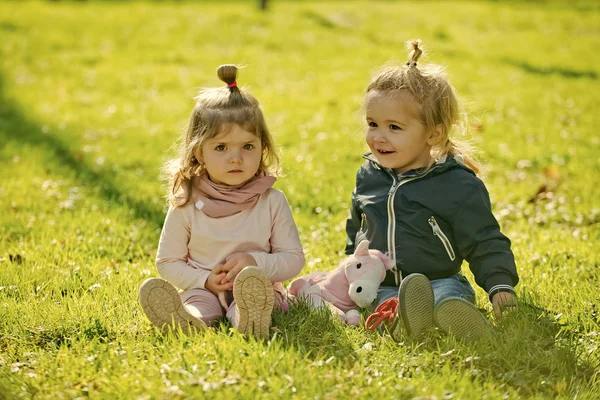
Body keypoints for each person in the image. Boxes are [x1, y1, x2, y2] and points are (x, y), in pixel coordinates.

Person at [346, 40, 519, 341]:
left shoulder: (456, 184)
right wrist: (351, 265)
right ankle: (403, 317)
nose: (379, 137)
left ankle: (452, 317)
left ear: (433, 133)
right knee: (380, 302)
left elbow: (484, 239)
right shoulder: (369, 176)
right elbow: (357, 228)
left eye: (394, 128)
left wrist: (499, 285)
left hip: (440, 278)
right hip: (382, 282)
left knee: (446, 297)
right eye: (373, 124)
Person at [138, 65, 305, 340]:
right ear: (199, 152)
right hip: (204, 287)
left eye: (247, 147)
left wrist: (255, 262)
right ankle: (190, 320)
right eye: (221, 148)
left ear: (262, 148)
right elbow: (168, 261)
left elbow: (293, 259)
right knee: (198, 303)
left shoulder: (272, 200)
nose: (235, 158)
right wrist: (204, 280)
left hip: (257, 286)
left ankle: (247, 318)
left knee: (257, 298)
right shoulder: (187, 202)